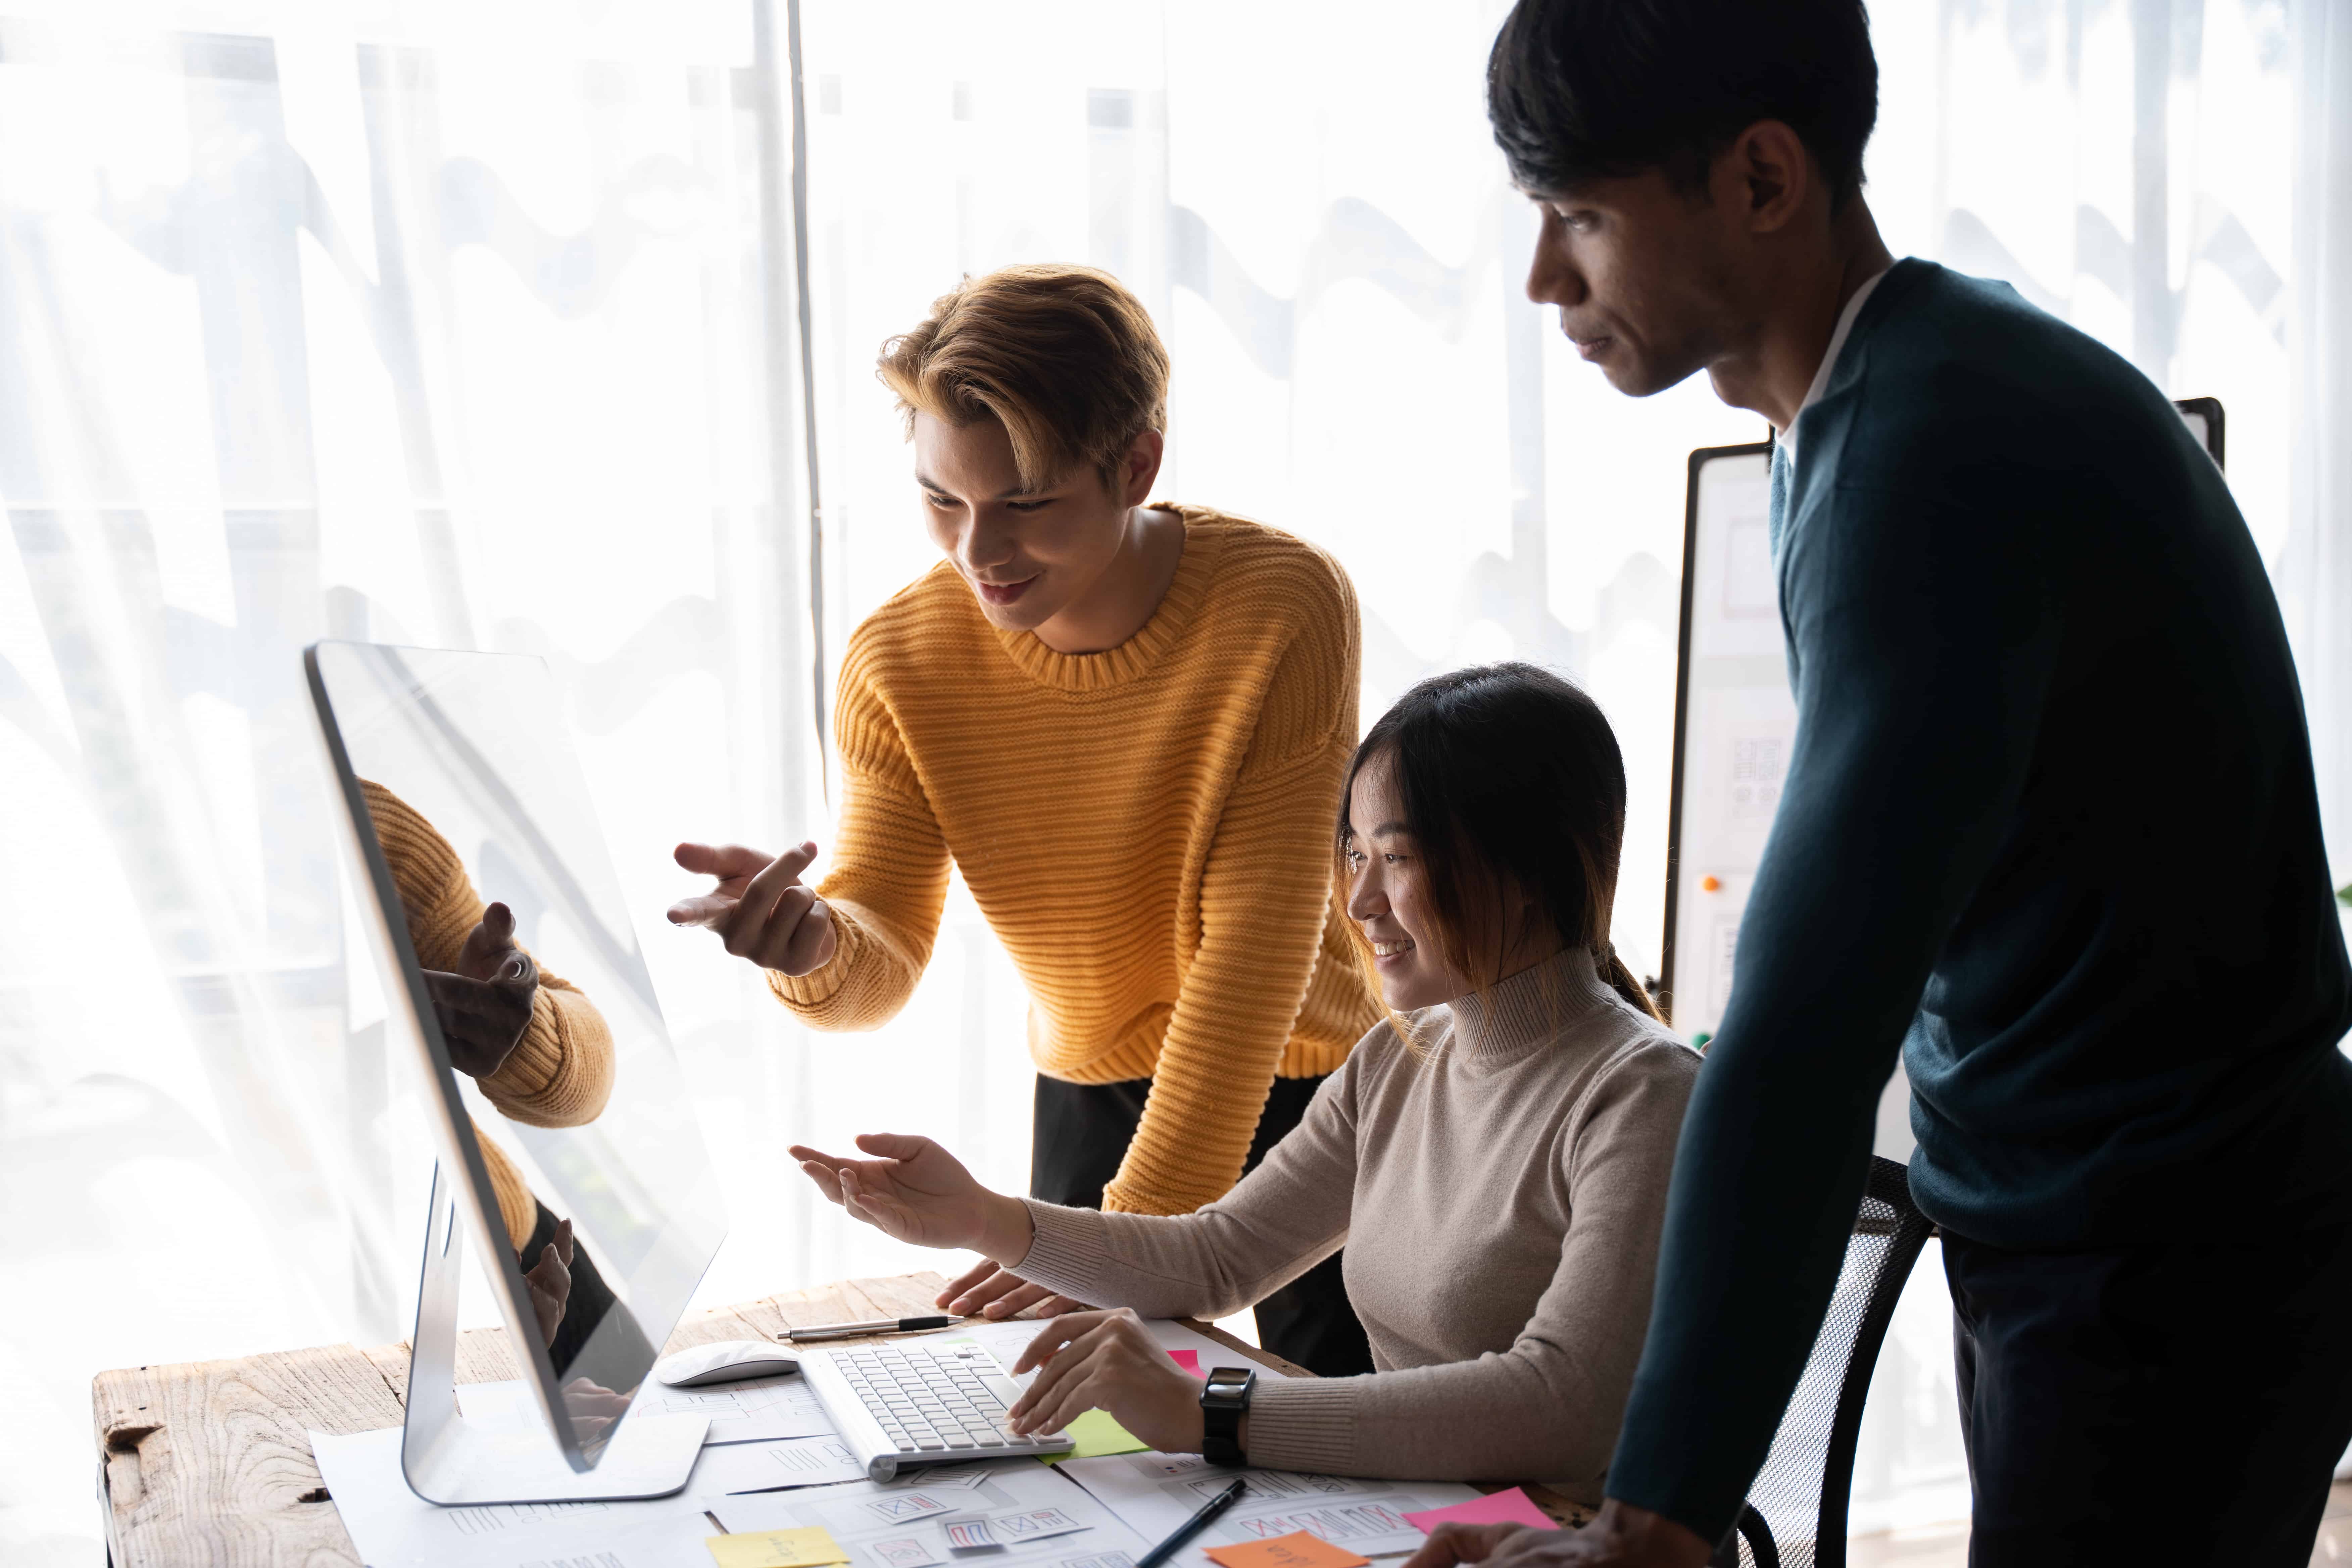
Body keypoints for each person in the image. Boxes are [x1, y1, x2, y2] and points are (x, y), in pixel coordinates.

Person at [1401, 3, 2352, 1566]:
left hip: (2167, 1252)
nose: (1543, 282)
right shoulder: (1869, 402)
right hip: (2082, 1215)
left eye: (1578, 217)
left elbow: (1810, 1011)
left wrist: (1655, 1517)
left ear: (1762, 178)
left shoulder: (1934, 447)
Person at [667, 264, 1383, 1374]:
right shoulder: (899, 659)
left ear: (1135, 464)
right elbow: (883, 949)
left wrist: (1131, 1245)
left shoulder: (1280, 604)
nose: (977, 553)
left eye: (1026, 505)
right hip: (1088, 1079)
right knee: (1089, 1452)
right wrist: (812, 943)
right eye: (941, 501)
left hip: (1310, 1073)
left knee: (1348, 1450)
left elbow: (1253, 953)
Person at [791, 665, 1699, 1491]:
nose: (1359, 900)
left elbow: (1563, 1412)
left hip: (1563, 1543)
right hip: (1415, 1514)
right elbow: (1220, 1258)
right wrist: (982, 1218)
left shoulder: (1644, 1096)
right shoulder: (1398, 1059)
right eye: (1353, 854)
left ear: (1532, 870)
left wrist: (1212, 1413)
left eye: (1399, 856)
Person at [361, 780, 645, 1384]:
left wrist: (525, 1031)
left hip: (523, 1262)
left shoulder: (372, 829)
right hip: (370, 1338)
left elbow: (591, 1083)